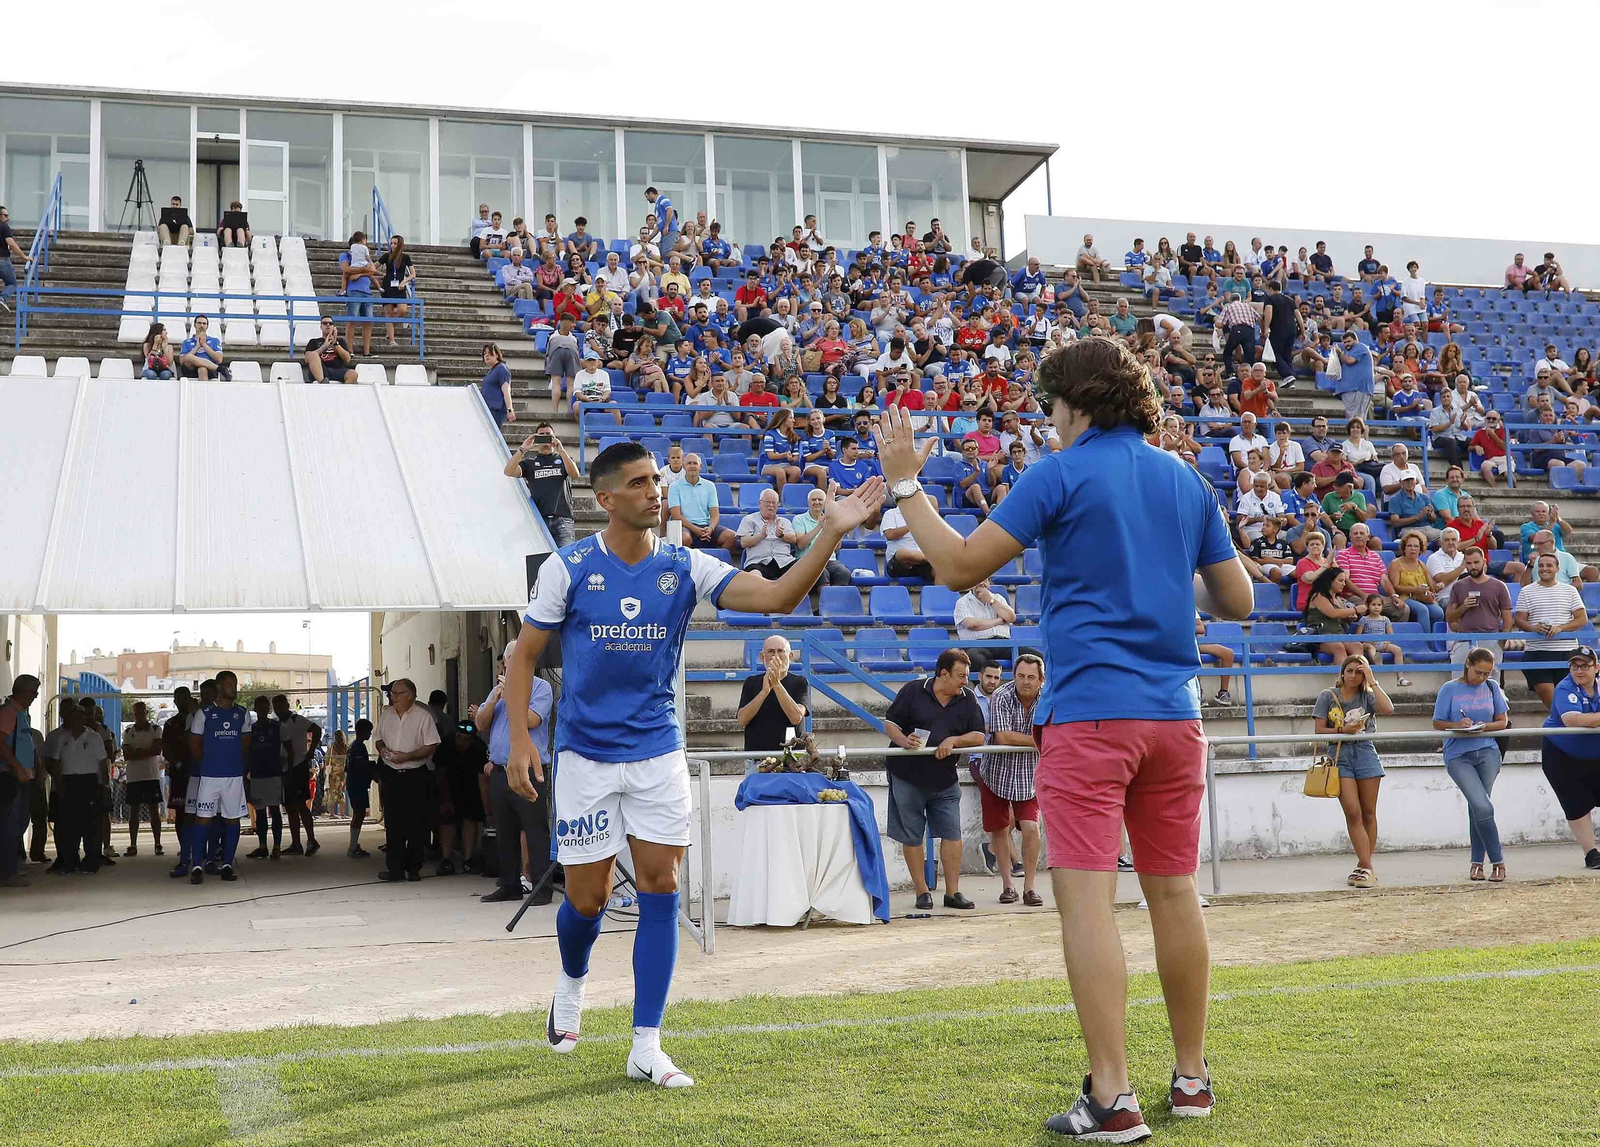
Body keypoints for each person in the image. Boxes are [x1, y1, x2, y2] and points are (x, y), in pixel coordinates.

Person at [869, 339, 1252, 1136]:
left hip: (1090, 717)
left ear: (1078, 400)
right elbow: (1238, 598)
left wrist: (906, 482)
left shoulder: (1061, 471)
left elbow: (956, 565)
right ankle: (1190, 1078)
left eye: (1051, 405)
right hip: (1176, 716)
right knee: (1175, 892)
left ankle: (1112, 1096)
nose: (1047, 421)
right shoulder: (1186, 478)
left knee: (1086, 900)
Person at [502, 439, 883, 1088]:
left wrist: (829, 533)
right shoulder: (567, 569)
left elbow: (777, 597)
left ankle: (646, 1045)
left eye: (658, 479)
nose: (658, 489)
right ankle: (572, 981)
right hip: (587, 759)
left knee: (660, 888)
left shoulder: (686, 566)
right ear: (606, 499)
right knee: (587, 901)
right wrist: (519, 738)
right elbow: (522, 655)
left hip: (656, 754)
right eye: (642, 481)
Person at [884, 650, 987, 911]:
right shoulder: (913, 690)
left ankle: (953, 893)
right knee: (912, 835)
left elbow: (978, 736)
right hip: (907, 775)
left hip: (945, 778)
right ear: (943, 674)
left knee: (952, 834)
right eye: (961, 676)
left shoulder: (968, 698)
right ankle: (922, 892)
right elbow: (890, 724)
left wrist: (954, 740)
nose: (966, 681)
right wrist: (902, 741)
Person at [1313, 655, 1394, 889]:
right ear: (1342, 672)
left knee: (1369, 812)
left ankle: (1364, 865)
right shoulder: (1328, 695)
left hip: (1365, 752)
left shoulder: (1367, 695)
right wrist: (1343, 729)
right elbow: (1319, 730)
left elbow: (1388, 708)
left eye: (1358, 672)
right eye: (1349, 671)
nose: (1353, 676)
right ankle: (1366, 866)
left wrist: (1373, 680)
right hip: (1339, 755)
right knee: (1352, 811)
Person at [1433, 650, 1511, 882]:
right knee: (1483, 807)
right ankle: (1498, 861)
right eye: (1479, 672)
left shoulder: (1492, 687)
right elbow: (1438, 722)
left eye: (1487, 674)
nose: (1482, 678)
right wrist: (1457, 725)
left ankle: (1477, 863)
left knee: (1478, 808)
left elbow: (1502, 721)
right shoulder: (1449, 688)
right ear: (1467, 664)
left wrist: (1483, 726)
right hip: (1459, 753)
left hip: (1488, 751)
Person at [981, 653, 1045, 906]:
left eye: (1031, 677)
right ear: (1014, 676)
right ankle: (1008, 884)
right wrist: (1038, 740)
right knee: (999, 829)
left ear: (1041, 679)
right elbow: (1002, 737)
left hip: (1030, 776)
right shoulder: (1001, 695)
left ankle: (1030, 887)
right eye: (1020, 676)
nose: (1025, 682)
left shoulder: (1048, 697)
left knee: (1032, 829)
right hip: (996, 773)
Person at [185, 671, 252, 883]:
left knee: (232, 820)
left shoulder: (243, 714)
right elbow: (194, 745)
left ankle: (227, 865)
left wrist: (230, 762)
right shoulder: (203, 713)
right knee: (202, 819)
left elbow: (245, 744)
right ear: (219, 687)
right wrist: (209, 763)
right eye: (230, 683)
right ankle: (197, 865)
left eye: (236, 683)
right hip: (210, 777)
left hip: (233, 777)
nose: (235, 687)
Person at [1539, 645, 1600, 870]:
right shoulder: (1565, 687)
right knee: (1576, 803)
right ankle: (1591, 854)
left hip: (1595, 753)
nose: (1579, 670)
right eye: (1574, 665)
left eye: (1585, 665)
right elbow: (1572, 720)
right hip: (1562, 753)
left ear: (1596, 668)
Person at [373, 679, 438, 882]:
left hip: (415, 775)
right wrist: (382, 749)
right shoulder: (387, 715)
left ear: (409, 695)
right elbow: (378, 737)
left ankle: (414, 868)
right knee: (393, 823)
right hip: (392, 775)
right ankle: (395, 869)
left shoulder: (423, 717)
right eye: (392, 693)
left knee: (416, 823)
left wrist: (407, 756)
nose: (393, 697)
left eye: (397, 693)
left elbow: (431, 746)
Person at [1515, 552, 1588, 707]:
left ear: (1557, 568)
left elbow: (1582, 619)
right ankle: (1561, 726)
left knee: (1567, 699)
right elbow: (1519, 620)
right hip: (1537, 652)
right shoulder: (1526, 591)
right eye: (1541, 565)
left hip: (1567, 652)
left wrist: (1561, 628)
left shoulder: (1570, 590)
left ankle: (1562, 727)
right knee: (1551, 699)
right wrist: (1534, 628)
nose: (1544, 568)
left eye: (1549, 565)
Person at [737, 636, 810, 773]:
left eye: (781, 651)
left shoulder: (800, 682)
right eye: (771, 651)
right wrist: (764, 691)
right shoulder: (751, 683)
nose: (776, 656)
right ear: (762, 657)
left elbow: (796, 717)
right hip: (758, 761)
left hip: (792, 761)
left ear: (790, 656)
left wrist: (776, 684)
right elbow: (742, 719)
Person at [506, 424, 577, 548]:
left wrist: (562, 451)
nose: (545, 437)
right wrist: (523, 448)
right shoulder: (530, 463)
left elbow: (575, 474)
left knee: (565, 559)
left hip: (563, 520)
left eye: (548, 434)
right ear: (536, 438)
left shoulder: (564, 459)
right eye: (542, 435)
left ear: (554, 437)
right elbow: (508, 471)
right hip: (539, 520)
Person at [0, 676, 39, 888]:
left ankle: (11, 867)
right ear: (22, 691)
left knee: (19, 822)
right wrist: (16, 767)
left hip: (21, 776)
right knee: (9, 824)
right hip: (9, 776)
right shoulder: (9, 712)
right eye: (34, 691)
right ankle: (7, 872)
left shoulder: (23, 714)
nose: (35, 696)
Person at [273, 695, 322, 856]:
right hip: (284, 768)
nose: (278, 710)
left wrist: (311, 750)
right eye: (275, 707)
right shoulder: (278, 723)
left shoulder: (297, 720)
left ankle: (311, 840)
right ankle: (296, 843)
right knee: (289, 807)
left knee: (300, 805)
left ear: (287, 705)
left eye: (280, 706)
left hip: (298, 766)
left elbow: (317, 729)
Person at [120, 702, 164, 857]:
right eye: (136, 712)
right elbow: (127, 755)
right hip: (134, 777)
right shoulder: (128, 732)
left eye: (142, 712)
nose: (139, 715)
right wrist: (147, 751)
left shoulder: (156, 729)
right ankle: (133, 844)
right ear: (134, 714)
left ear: (146, 712)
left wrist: (137, 752)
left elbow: (157, 750)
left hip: (151, 775)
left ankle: (157, 843)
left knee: (154, 811)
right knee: (134, 811)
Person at [243, 696, 285, 859]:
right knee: (260, 811)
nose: (261, 710)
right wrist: (247, 771)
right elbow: (246, 751)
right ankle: (262, 846)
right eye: (258, 707)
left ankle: (277, 846)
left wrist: (283, 768)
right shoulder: (251, 729)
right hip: (257, 774)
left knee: (274, 810)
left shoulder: (277, 727)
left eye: (264, 707)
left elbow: (285, 748)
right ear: (255, 709)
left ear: (268, 709)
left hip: (273, 773)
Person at [736, 488, 797, 580]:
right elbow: (744, 543)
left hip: (784, 561)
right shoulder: (749, 520)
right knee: (754, 576)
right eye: (767, 502)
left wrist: (782, 535)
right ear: (760, 503)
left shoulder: (785, 522)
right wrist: (761, 536)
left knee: (804, 569)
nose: (771, 506)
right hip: (759, 562)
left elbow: (793, 539)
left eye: (774, 503)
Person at [1355, 594, 1411, 687]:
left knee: (1397, 650)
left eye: (1379, 605)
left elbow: (1391, 635)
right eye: (1373, 605)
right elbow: (1358, 636)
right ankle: (1377, 661)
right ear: (1368, 606)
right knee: (1370, 648)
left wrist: (1388, 642)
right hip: (1368, 643)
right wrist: (1367, 641)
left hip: (1382, 643)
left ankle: (1400, 678)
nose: (1376, 607)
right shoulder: (1364, 619)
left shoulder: (1385, 620)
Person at [378, 234, 416, 347]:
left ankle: (390, 329)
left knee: (402, 310)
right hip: (388, 287)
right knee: (389, 314)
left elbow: (413, 274)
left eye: (395, 243)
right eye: (391, 243)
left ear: (400, 245)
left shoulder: (405, 257)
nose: (393, 245)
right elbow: (373, 267)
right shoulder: (386, 256)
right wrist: (381, 274)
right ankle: (392, 340)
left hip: (399, 287)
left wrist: (404, 281)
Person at [344, 719, 375, 857]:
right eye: (369, 731)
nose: (370, 734)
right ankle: (352, 847)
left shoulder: (353, 745)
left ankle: (354, 844)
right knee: (359, 814)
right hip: (357, 784)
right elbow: (360, 763)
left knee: (358, 813)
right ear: (363, 731)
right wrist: (372, 765)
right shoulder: (359, 747)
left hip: (354, 783)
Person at [304, 317, 354, 383]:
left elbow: (347, 359)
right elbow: (307, 358)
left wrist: (335, 343)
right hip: (320, 370)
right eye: (325, 323)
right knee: (313, 354)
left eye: (330, 323)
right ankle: (323, 382)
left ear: (333, 327)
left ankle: (342, 392)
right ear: (321, 326)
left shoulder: (340, 342)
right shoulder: (313, 341)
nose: (328, 325)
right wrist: (324, 346)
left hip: (337, 370)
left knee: (353, 374)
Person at [178, 314, 228, 380]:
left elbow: (219, 359)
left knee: (202, 369)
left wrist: (204, 344)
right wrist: (197, 347)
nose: (201, 325)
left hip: (210, 370)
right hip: (191, 369)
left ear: (207, 326)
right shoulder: (187, 342)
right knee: (189, 357)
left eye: (204, 323)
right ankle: (220, 369)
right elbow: (182, 361)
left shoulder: (214, 340)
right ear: (194, 325)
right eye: (199, 323)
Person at [478, 343, 515, 427]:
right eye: (485, 354)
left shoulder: (502, 368)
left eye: (490, 353)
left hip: (496, 409)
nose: (486, 355)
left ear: (497, 355)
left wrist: (510, 409)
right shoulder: (492, 371)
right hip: (488, 408)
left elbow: (506, 390)